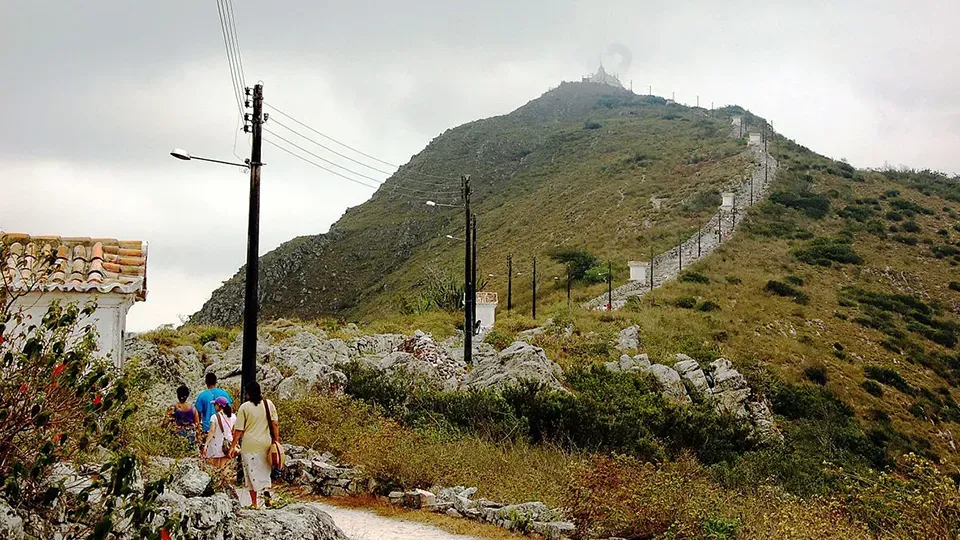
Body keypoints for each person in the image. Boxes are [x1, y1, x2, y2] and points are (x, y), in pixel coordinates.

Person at [228, 381, 279, 509]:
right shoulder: (268, 404)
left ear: (248, 393)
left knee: (250, 473)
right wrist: (276, 441)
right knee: (264, 471)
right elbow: (275, 424)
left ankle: (254, 503)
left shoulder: (244, 407)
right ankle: (266, 492)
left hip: (249, 445)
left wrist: (233, 445)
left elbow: (238, 430)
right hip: (265, 444)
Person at [203, 396, 236, 468]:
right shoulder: (233, 416)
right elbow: (233, 431)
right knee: (224, 467)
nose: (214, 406)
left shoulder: (214, 417)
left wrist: (206, 444)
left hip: (216, 444)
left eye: (215, 404)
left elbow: (212, 431)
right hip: (227, 445)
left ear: (219, 405)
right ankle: (224, 479)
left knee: (214, 467)